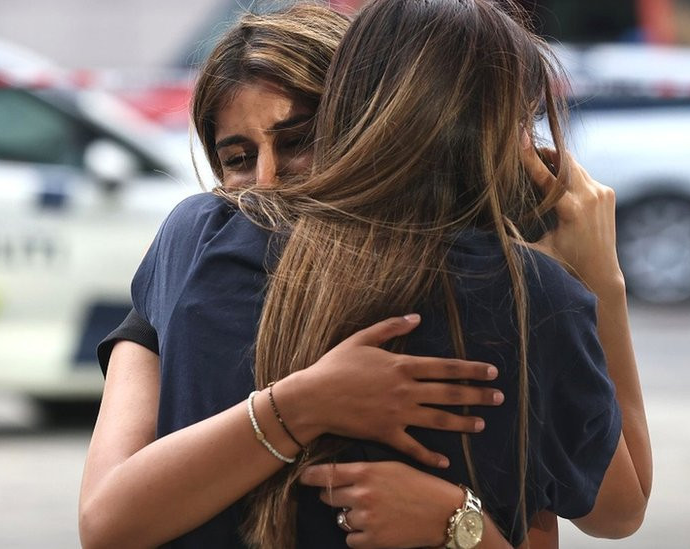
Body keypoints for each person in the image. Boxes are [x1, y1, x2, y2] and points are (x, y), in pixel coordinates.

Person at [85, 1, 654, 547]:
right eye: (236, 158)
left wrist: (457, 520)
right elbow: (105, 519)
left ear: (360, 118)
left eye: (300, 140)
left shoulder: (201, 236)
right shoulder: (199, 241)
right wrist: (600, 281)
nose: (267, 181)